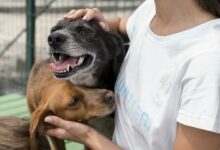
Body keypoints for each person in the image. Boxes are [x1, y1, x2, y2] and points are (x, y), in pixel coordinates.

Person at [44, 0, 220, 149]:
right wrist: (93, 26)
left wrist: (89, 136)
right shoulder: (151, 11)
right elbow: (122, 24)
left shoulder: (209, 61)